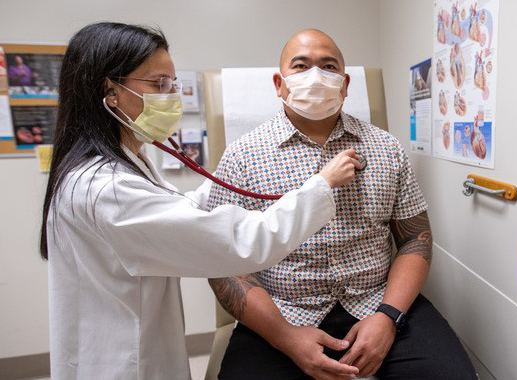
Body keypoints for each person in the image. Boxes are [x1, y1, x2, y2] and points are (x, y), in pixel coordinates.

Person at [41, 22, 362, 380]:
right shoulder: (105, 190)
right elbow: (240, 243)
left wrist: (246, 182)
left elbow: (177, 210)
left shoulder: (119, 167)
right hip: (120, 363)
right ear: (110, 91)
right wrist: (322, 184)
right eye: (159, 84)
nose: (171, 95)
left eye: (172, 84)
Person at [207, 29, 477, 380]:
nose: (315, 76)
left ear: (345, 84)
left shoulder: (386, 149)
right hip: (282, 310)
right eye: (301, 66)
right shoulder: (242, 156)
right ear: (279, 83)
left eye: (328, 66)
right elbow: (223, 262)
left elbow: (415, 239)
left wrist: (387, 317)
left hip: (376, 300)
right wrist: (285, 338)